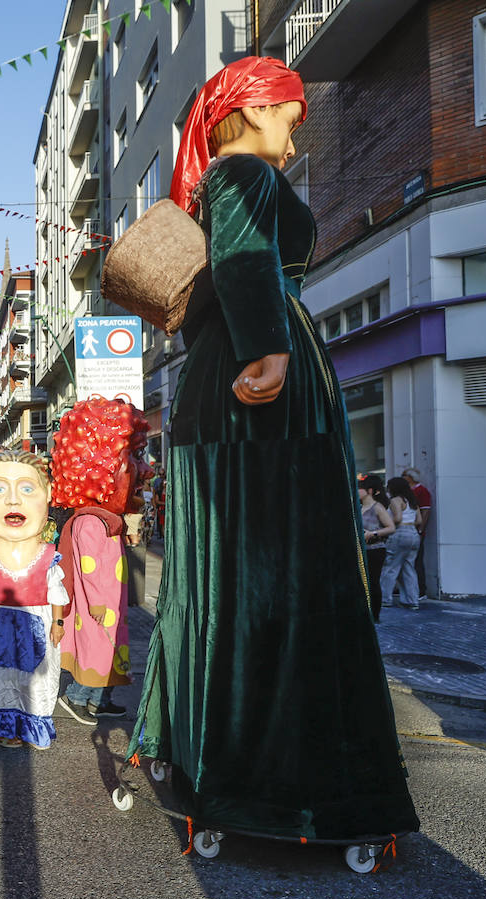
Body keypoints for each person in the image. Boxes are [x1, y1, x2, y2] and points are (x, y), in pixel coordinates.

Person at [127, 56, 418, 840]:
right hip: (262, 387)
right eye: (291, 114)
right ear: (254, 108)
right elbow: (250, 261)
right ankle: (283, 776)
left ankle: (213, 752)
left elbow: (227, 275)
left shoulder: (220, 183)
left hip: (225, 382)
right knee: (285, 571)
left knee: (226, 575)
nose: (295, 134)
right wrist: (271, 345)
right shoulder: (244, 176)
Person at [52, 398, 152, 725]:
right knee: (97, 650)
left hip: (112, 607)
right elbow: (90, 571)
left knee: (111, 650)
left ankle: (102, 699)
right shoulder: (90, 522)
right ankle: (78, 697)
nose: (147, 469)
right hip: (99, 609)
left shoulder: (107, 520)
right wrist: (96, 603)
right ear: (101, 469)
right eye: (135, 457)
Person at [0, 451, 68, 750]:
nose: (12, 500)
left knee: (36, 680)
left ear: (46, 494)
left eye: (26, 488)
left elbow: (56, 591)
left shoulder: (48, 555)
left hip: (38, 625)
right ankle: (3, 727)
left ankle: (32, 728)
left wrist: (58, 622)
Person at [380, 477, 421, 611]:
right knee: (409, 568)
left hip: (399, 533)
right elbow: (419, 520)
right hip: (414, 533)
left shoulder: (395, 500)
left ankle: (385, 599)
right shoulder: (412, 501)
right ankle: (412, 600)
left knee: (390, 567)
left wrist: (385, 523)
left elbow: (397, 518)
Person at [359, 475, 395, 622]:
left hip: (375, 549)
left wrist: (373, 533)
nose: (356, 491)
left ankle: (374, 615)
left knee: (373, 582)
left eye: (359, 488)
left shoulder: (378, 507)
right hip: (363, 549)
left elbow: (391, 528)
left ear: (370, 490)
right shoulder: (360, 507)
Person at [403, 467, 431, 598]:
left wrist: (420, 530)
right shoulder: (408, 492)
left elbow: (426, 511)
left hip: (415, 531)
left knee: (417, 561)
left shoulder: (421, 491)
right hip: (408, 531)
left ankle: (421, 589)